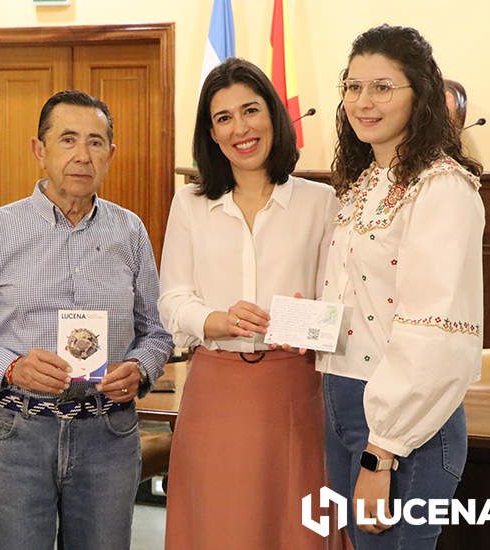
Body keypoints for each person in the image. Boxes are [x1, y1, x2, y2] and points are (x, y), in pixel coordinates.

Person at [0, 90, 173, 550]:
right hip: (19, 434)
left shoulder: (131, 231)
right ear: (39, 150)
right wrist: (10, 366)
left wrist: (141, 368)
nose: (82, 155)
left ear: (110, 154)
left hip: (108, 435)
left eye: (96, 142)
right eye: (68, 140)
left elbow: (157, 332)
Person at [159, 57, 338, 549]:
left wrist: (294, 320)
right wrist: (213, 320)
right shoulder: (190, 204)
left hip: (295, 391)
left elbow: (339, 313)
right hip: (215, 392)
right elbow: (171, 299)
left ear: (274, 117)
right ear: (211, 134)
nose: (240, 128)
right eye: (223, 118)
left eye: (250, 110)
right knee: (218, 526)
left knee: (295, 528)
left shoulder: (321, 203)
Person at [318, 24, 484, 549]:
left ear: (422, 94)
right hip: (342, 394)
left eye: (382, 87)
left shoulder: (443, 190)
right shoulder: (367, 180)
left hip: (403, 420)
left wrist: (381, 450)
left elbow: (433, 333)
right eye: (352, 86)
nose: (363, 101)